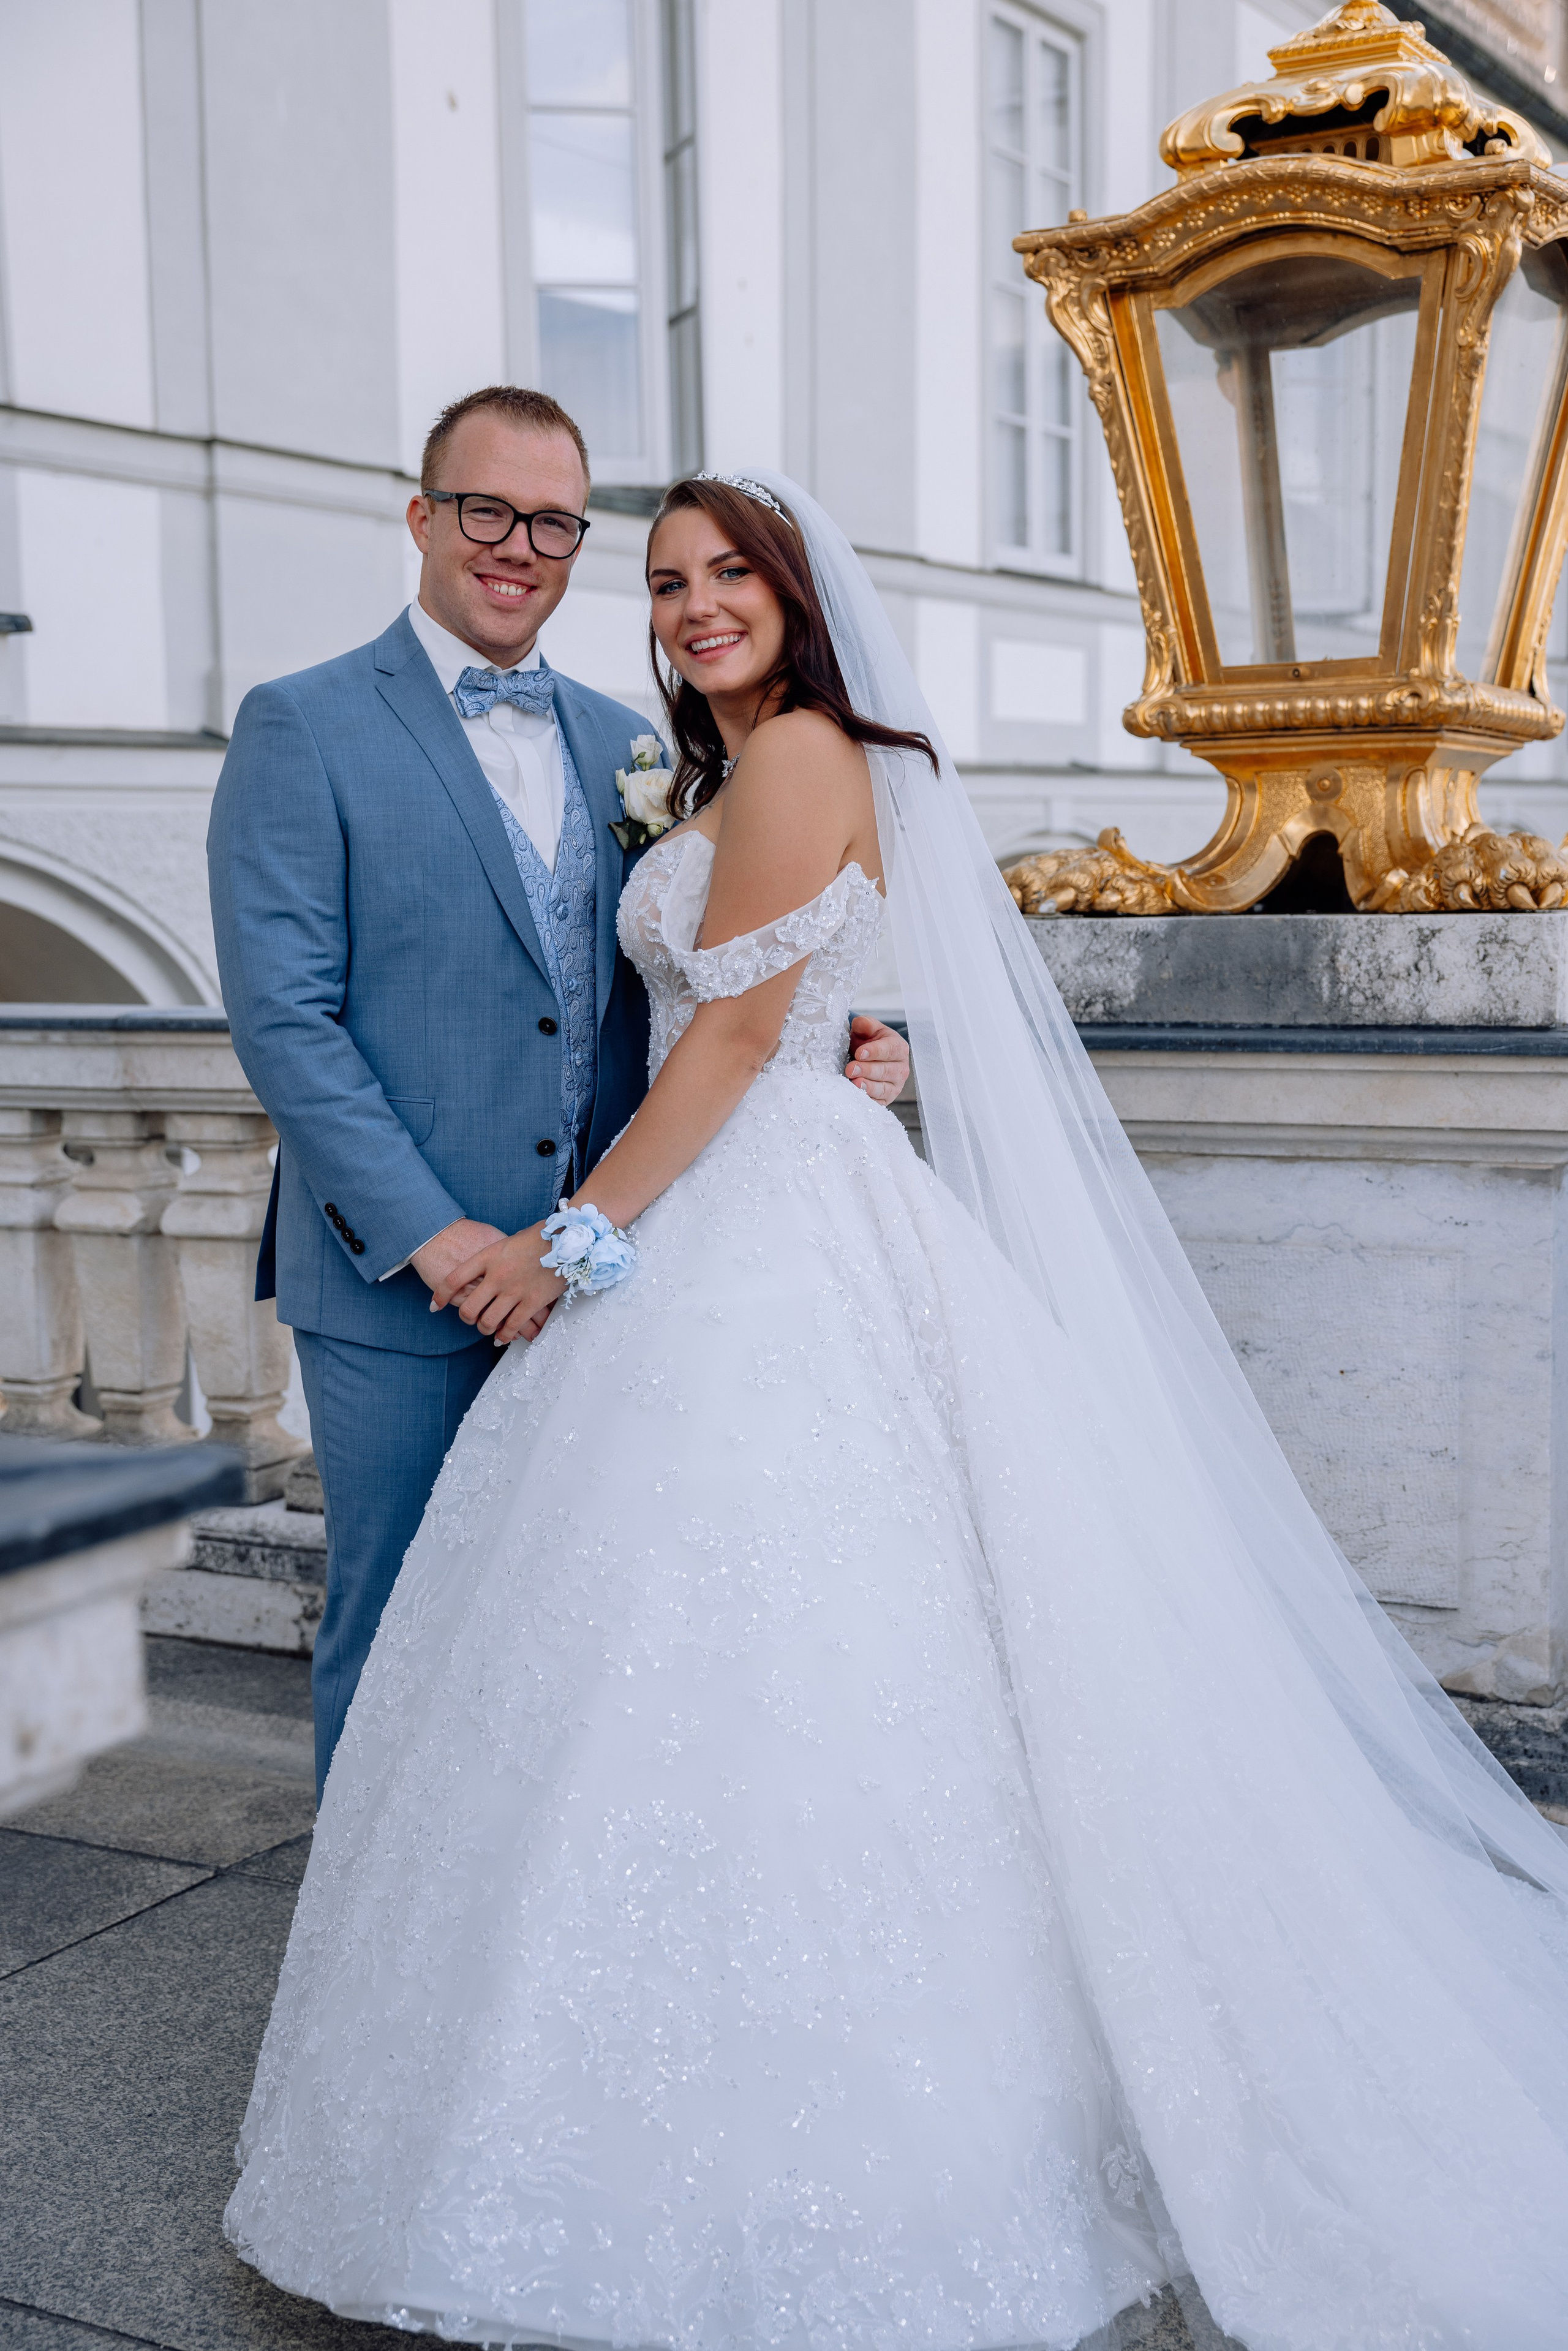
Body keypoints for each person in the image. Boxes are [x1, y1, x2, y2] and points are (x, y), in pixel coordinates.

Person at [225, 471, 1568, 2351]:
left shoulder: (793, 757)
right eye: (672, 578)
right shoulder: (716, 763)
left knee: (770, 1649)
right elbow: (771, 999)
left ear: (795, 591)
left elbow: (722, 1030)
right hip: (746, 1191)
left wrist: (575, 1249)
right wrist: (850, 1049)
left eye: (729, 576)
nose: (695, 605)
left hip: (733, 1222)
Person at [206, 394, 908, 1796]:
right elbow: (286, 1018)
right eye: (485, 510)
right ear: (423, 517)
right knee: (402, 1623)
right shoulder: (303, 723)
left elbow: (715, 984)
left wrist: (851, 1033)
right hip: (403, 1279)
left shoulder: (635, 747)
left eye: (551, 523)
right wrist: (439, 1236)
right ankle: (367, 1969)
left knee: (574, 1641)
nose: (515, 546)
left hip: (618, 1274)